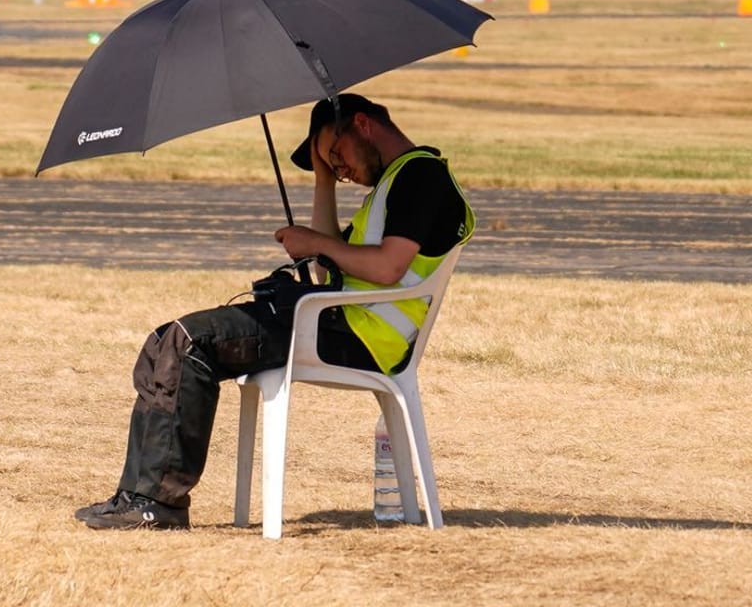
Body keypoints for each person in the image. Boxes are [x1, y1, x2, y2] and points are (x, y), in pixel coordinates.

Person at [75, 93, 475, 531]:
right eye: (334, 166)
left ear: (362, 123)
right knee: (164, 341)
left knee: (188, 342)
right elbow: (327, 271)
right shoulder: (395, 184)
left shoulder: (420, 177)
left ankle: (158, 504)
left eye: (337, 157)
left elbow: (387, 265)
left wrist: (317, 242)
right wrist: (322, 181)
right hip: (337, 324)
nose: (342, 171)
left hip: (358, 336)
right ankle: (137, 495)